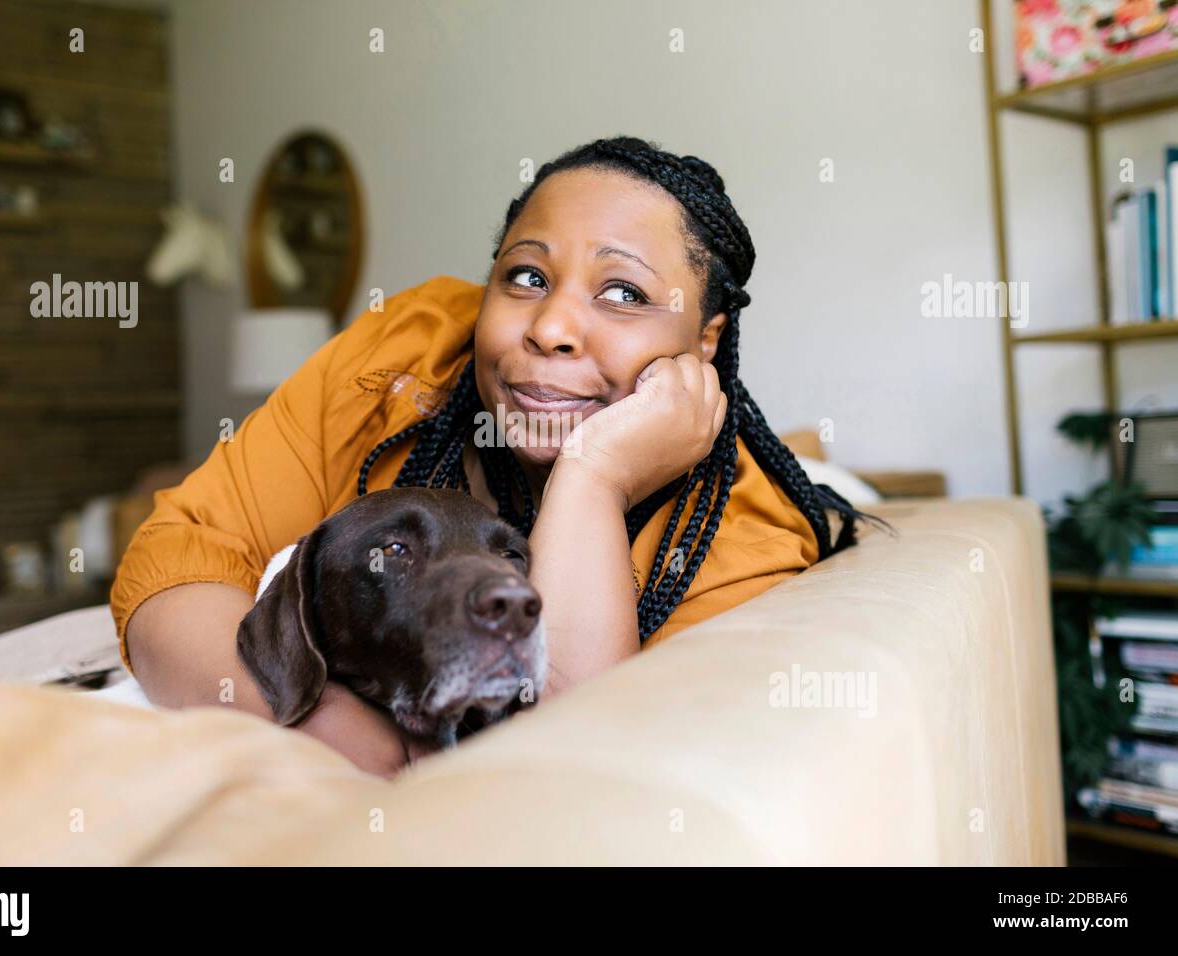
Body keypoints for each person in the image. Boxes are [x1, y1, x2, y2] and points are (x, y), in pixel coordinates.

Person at [111, 135, 884, 778]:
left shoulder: (740, 540)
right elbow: (172, 575)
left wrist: (592, 478)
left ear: (704, 342)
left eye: (623, 294)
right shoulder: (403, 353)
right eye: (526, 276)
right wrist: (367, 748)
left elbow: (564, 762)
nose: (550, 326)